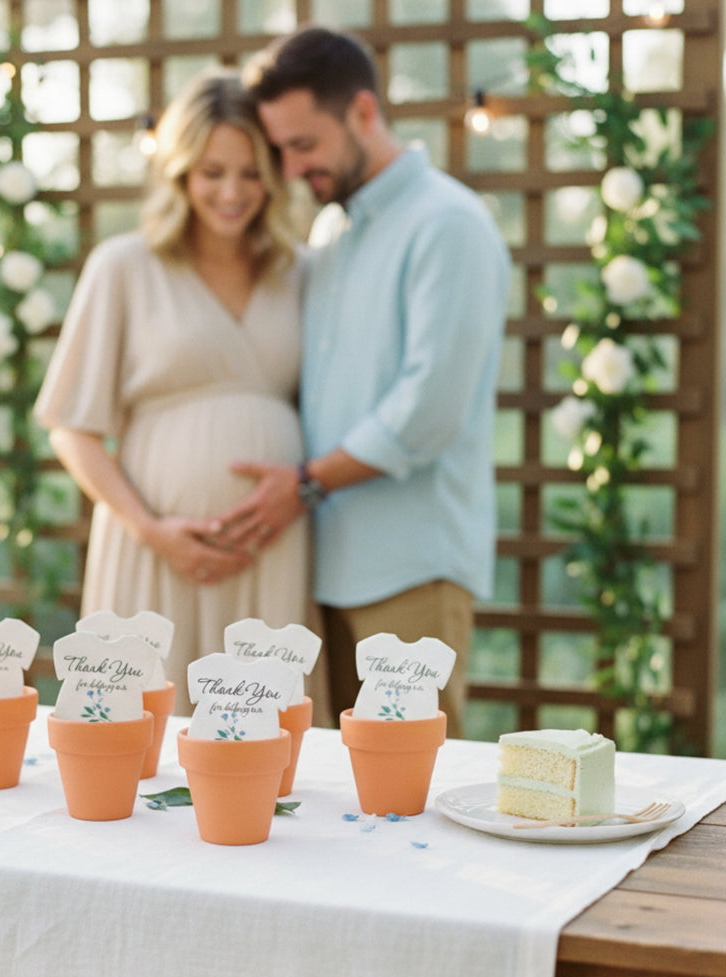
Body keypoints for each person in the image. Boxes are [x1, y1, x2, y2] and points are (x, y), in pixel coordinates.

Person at [215, 27, 512, 738]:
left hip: (412, 569)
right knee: (339, 801)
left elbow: (428, 410)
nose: (290, 169)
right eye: (279, 150)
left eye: (304, 145)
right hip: (324, 570)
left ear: (364, 113)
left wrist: (307, 483)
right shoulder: (329, 237)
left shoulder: (448, 225)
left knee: (411, 796)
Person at [34, 69, 311, 706]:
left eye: (249, 173)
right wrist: (151, 529)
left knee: (266, 741)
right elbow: (71, 428)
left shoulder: (298, 273)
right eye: (212, 172)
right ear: (180, 172)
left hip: (272, 546)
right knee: (144, 741)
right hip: (152, 548)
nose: (232, 192)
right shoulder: (124, 267)